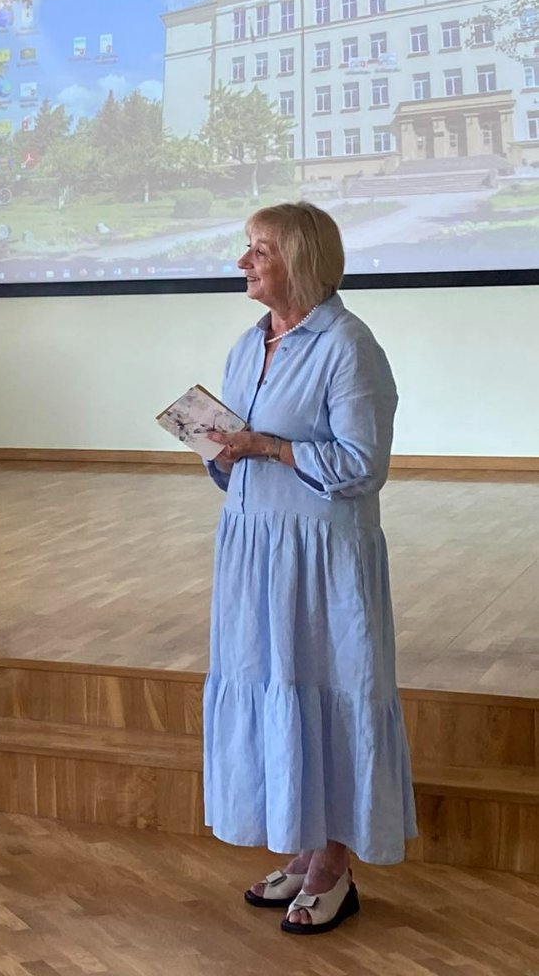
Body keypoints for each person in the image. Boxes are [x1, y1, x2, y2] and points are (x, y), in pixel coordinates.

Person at [202, 202, 415, 936]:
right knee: (272, 681)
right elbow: (234, 454)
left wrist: (268, 447)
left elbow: (362, 465)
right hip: (253, 547)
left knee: (329, 687)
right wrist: (222, 449)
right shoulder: (247, 344)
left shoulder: (349, 346)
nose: (243, 262)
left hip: (322, 554)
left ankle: (334, 864)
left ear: (301, 260)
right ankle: (303, 844)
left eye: (259, 250)